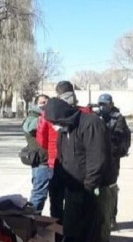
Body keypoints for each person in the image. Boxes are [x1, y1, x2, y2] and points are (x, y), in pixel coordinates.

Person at [43, 98, 111, 242]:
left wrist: (89, 188)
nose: (55, 127)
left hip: (97, 189)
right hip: (74, 189)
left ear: (66, 117)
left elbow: (97, 159)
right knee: (71, 232)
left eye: (57, 122)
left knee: (99, 235)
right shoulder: (65, 131)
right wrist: (58, 183)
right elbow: (62, 160)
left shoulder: (91, 124)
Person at [37, 81, 92, 223]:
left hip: (54, 163)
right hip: (78, 164)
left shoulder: (47, 115)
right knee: (76, 199)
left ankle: (57, 232)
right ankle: (74, 230)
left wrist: (51, 150)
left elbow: (41, 140)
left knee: (56, 200)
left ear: (57, 94)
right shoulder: (84, 113)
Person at [97, 93, 131, 230]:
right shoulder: (96, 116)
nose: (102, 107)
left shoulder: (118, 118)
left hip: (112, 159)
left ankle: (111, 217)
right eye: (100, 104)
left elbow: (118, 137)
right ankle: (99, 216)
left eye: (105, 104)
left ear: (111, 104)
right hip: (98, 158)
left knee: (111, 189)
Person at [22, 94, 50, 211]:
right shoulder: (32, 117)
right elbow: (28, 126)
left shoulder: (49, 116)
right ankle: (31, 222)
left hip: (50, 161)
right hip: (41, 163)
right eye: (42, 103)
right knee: (38, 195)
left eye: (47, 103)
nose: (45, 105)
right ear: (36, 104)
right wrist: (43, 119)